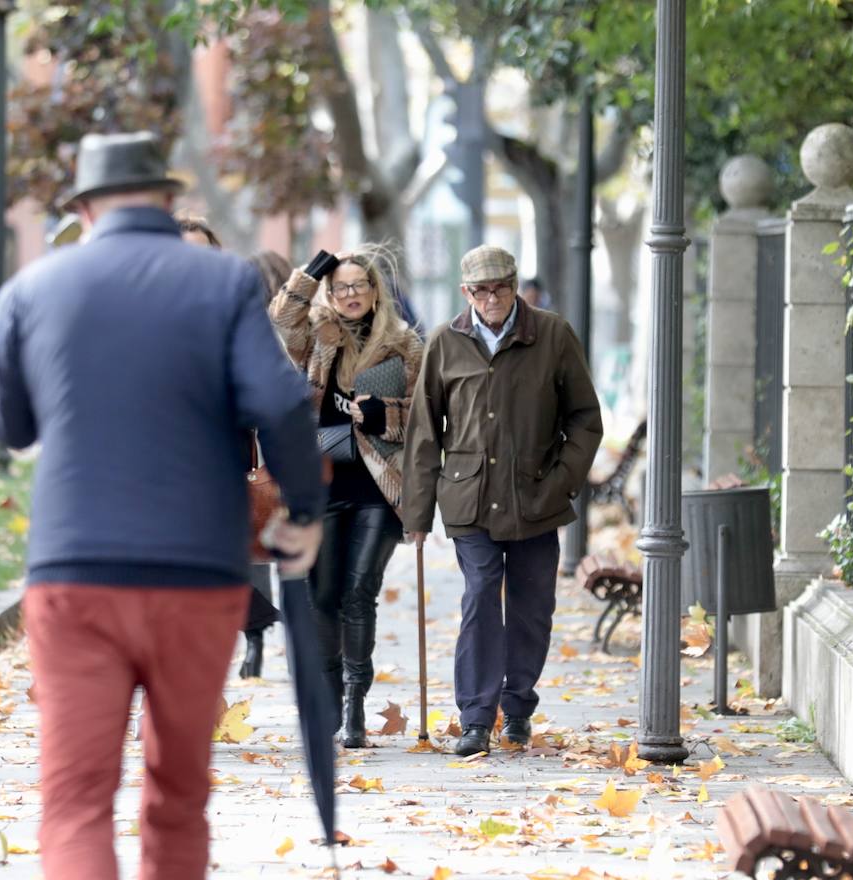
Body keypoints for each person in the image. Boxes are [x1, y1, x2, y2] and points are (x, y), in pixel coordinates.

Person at [0, 131, 324, 880]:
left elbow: (11, 424)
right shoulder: (224, 284)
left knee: (74, 803)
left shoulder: (32, 290)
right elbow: (277, 401)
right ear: (168, 201)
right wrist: (302, 511)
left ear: (82, 208)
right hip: (198, 577)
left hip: (76, 575)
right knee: (177, 796)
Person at [401, 245, 602, 757]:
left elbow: (585, 418)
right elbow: (425, 432)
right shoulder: (445, 342)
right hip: (469, 499)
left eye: (501, 288)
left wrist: (562, 481)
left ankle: (516, 709)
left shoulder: (552, 335)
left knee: (533, 607)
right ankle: (475, 716)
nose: (493, 298)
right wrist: (417, 514)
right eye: (481, 290)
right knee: (481, 595)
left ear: (516, 286)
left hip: (538, 494)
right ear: (465, 293)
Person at [268, 245, 424, 748]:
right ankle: (330, 697)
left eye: (359, 285)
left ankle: (357, 701)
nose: (350, 294)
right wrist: (317, 268)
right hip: (323, 484)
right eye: (341, 287)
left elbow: (424, 420)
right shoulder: (315, 338)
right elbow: (282, 313)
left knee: (359, 592)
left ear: (376, 291)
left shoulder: (405, 345)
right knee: (321, 597)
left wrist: (383, 416)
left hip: (381, 487)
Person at [240, 250, 295, 679]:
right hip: (265, 452)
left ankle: (257, 634)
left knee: (252, 545)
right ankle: (261, 634)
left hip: (259, 450)